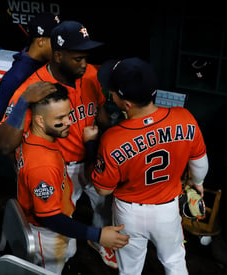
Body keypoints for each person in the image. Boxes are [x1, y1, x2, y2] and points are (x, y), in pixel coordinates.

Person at [0, 20, 119, 268]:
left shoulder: (91, 75)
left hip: (91, 156)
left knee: (104, 208)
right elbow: (5, 145)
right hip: (60, 170)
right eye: (77, 58)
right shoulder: (34, 88)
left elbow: (101, 113)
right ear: (58, 55)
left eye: (87, 57)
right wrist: (23, 104)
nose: (85, 64)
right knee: (59, 227)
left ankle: (99, 241)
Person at [90, 57, 209, 275]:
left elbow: (103, 189)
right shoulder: (184, 118)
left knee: (130, 268)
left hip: (129, 213)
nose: (111, 94)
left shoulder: (113, 138)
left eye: (113, 91)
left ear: (126, 104)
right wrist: (197, 182)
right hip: (167, 210)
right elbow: (200, 164)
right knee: (174, 260)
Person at [16, 83, 129, 274]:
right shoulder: (42, 164)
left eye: (69, 115)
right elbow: (50, 218)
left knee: (68, 253)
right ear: (40, 121)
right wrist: (98, 235)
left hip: (56, 222)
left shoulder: (34, 138)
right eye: (60, 118)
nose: (69, 122)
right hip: (47, 233)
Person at [0, 12, 60, 129]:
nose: (60, 46)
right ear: (41, 41)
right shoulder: (17, 76)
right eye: (56, 41)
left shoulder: (47, 62)